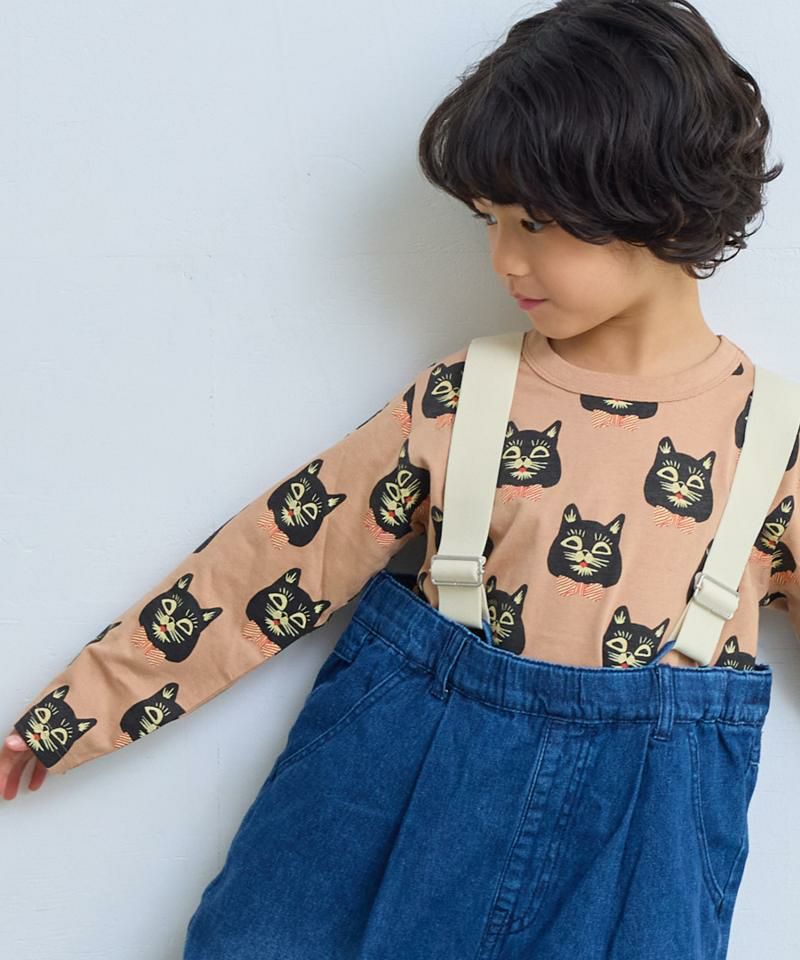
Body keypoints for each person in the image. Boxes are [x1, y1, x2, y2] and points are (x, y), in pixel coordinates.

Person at [3, 0, 797, 956]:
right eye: (489, 220)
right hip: (393, 802)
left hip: (635, 854)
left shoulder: (774, 445)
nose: (503, 257)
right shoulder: (468, 399)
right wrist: (77, 712)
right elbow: (274, 558)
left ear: (659, 203)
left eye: (536, 221)